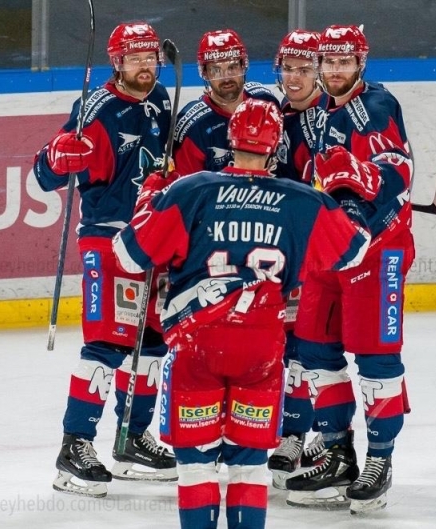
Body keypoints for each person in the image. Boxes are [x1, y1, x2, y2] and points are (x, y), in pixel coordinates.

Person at [112, 98, 371, 529]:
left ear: (231, 139)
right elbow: (355, 250)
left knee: (195, 466)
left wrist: (148, 198)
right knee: (249, 466)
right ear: (276, 146)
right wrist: (344, 194)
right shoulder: (302, 201)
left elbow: (129, 255)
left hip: (198, 346)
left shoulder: (191, 189)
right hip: (261, 351)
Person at [32, 21, 177, 498]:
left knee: (152, 343)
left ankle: (132, 438)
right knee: (107, 347)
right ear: (116, 62)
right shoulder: (94, 107)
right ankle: (74, 446)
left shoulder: (160, 101)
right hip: (108, 241)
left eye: (150, 56)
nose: (144, 66)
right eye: (134, 58)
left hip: (152, 241)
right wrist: (58, 158)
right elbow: (42, 177)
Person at [283, 25, 415, 514]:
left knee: (377, 359)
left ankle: (379, 458)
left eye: (345, 62)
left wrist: (360, 177)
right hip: (328, 251)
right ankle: (337, 450)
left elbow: (398, 174)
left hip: (376, 253)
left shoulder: (375, 106)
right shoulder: (320, 110)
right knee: (315, 348)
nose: (336, 71)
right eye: (329, 63)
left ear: (361, 62)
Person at [267, 29, 330, 487]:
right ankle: (291, 432)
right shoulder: (273, 114)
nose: (295, 76)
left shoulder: (337, 116)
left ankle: (322, 434)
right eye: (288, 68)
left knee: (318, 345)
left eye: (304, 68)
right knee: (288, 343)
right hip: (285, 249)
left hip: (325, 250)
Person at [173, 29, 280, 175]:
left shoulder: (266, 102)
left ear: (243, 66)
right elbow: (187, 192)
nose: (226, 78)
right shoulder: (193, 126)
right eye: (216, 70)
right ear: (205, 73)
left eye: (232, 67)